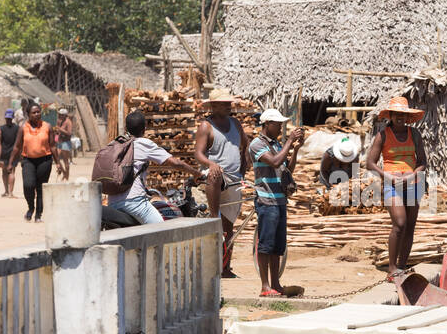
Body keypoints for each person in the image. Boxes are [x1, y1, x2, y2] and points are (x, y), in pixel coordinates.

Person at [364, 95, 428, 280]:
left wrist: (414, 175)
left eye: (403, 114)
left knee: (409, 227)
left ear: (407, 117)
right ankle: (392, 269)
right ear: (390, 116)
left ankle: (402, 266)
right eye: (396, 114)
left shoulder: (414, 134)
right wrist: (387, 176)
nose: (400, 117)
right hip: (391, 184)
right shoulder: (382, 135)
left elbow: (422, 161)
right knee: (399, 223)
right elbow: (370, 163)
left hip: (412, 184)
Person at [249, 108, 304, 297]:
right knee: (265, 245)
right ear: (266, 125)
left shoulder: (277, 144)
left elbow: (287, 169)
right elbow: (273, 162)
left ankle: (276, 284)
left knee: (277, 246)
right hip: (266, 199)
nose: (281, 127)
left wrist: (294, 149)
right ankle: (265, 286)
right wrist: (289, 142)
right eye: (278, 124)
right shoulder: (257, 145)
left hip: (279, 199)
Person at [194, 88, 249, 277]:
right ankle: (213, 213)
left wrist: (243, 170)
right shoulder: (206, 126)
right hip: (216, 176)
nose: (228, 107)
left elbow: (245, 147)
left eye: (229, 104)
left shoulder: (235, 123)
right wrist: (211, 163)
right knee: (214, 175)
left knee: (228, 227)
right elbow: (198, 153)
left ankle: (225, 267)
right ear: (213, 106)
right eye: (224, 104)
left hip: (234, 179)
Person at [111, 110, 198, 225]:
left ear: (126, 129)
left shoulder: (116, 144)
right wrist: (196, 173)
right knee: (160, 231)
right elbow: (176, 163)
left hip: (112, 202)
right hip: (134, 203)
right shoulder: (143, 143)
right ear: (144, 129)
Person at [8, 103, 56, 222]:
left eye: (38, 112)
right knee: (28, 186)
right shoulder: (23, 128)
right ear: (28, 114)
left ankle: (38, 215)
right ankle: (31, 208)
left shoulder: (47, 126)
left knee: (40, 188)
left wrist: (58, 163)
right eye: (33, 112)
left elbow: (53, 146)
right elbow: (16, 147)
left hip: (44, 160)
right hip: (28, 160)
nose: (36, 114)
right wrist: (10, 162)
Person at [0, 108, 20, 197]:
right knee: (11, 172)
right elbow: (18, 141)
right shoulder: (17, 128)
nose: (8, 120)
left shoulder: (1, 128)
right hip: (13, 153)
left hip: (4, 153)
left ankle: (7, 191)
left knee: (4, 172)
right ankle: (10, 192)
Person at [54, 107, 74, 181]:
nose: (59, 116)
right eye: (59, 114)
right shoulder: (60, 121)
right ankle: (64, 173)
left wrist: (60, 129)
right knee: (56, 158)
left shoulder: (68, 122)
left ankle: (67, 176)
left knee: (65, 161)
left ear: (65, 115)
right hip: (60, 142)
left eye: (61, 115)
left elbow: (69, 133)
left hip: (66, 143)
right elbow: (58, 131)